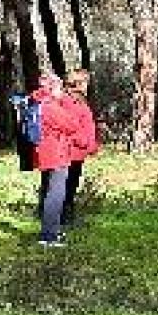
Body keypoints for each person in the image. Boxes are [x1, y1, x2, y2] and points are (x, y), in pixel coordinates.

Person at [31, 73, 79, 247]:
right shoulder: (50, 106)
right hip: (55, 154)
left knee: (51, 192)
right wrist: (64, 102)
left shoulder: (38, 103)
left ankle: (51, 230)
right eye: (59, 87)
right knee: (56, 194)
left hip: (45, 153)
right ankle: (48, 235)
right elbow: (72, 125)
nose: (62, 91)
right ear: (52, 88)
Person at [61, 68, 101, 227]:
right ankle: (63, 219)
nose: (87, 85)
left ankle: (67, 216)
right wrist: (85, 142)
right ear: (78, 83)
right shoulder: (67, 102)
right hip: (70, 152)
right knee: (66, 187)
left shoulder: (79, 100)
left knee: (71, 186)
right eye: (85, 82)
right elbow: (69, 127)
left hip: (78, 153)